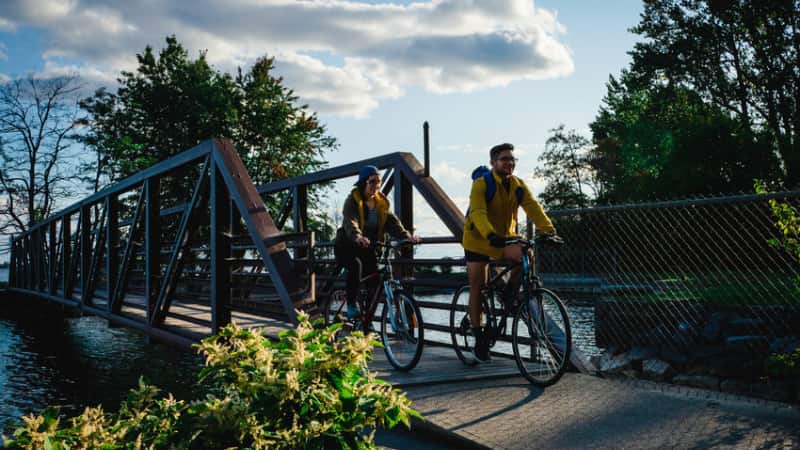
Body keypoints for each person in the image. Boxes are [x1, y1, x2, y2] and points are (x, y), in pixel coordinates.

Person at [462, 143, 558, 363]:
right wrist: (489, 234)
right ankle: (479, 337)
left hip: (503, 238)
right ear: (493, 163)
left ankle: (510, 293)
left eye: (512, 159)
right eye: (505, 159)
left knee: (526, 252)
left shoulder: (518, 185)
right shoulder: (481, 184)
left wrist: (550, 230)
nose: (510, 163)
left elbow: (533, 206)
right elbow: (477, 212)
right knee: (478, 287)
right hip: (478, 240)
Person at [334, 165, 421, 318]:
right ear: (363, 183)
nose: (376, 186)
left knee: (374, 280)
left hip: (368, 248)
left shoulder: (381, 203)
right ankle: (351, 305)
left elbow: (393, 223)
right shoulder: (352, 201)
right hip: (347, 246)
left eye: (379, 182)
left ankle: (367, 320)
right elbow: (350, 222)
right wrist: (358, 237)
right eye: (372, 182)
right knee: (356, 266)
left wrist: (407, 237)